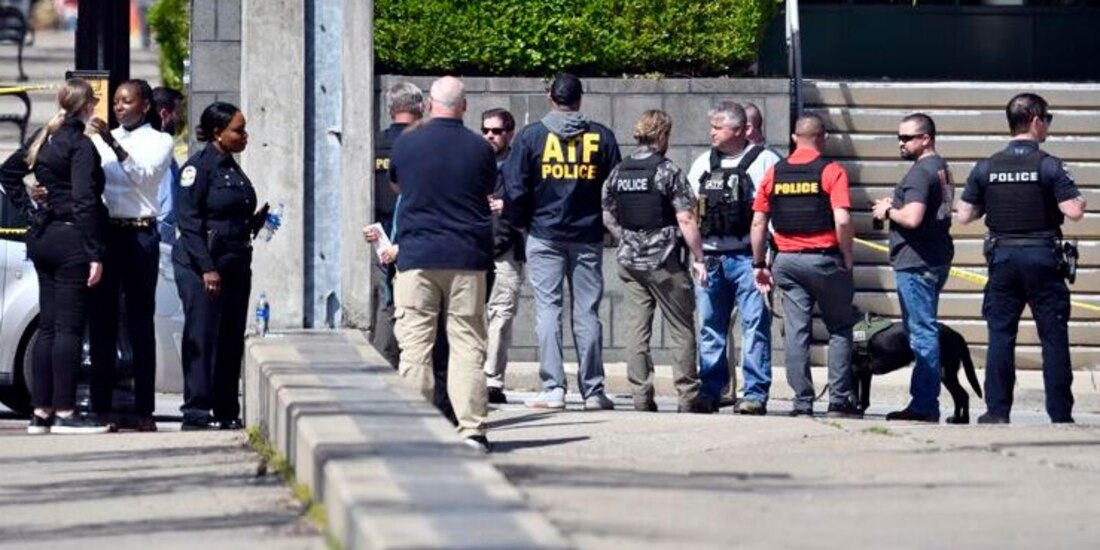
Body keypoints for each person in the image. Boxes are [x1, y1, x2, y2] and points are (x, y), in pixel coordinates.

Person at [956, 93, 1085, 424]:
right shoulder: (1049, 165)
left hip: (1003, 259)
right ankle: (1060, 414)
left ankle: (997, 411)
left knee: (1000, 336)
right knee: (1053, 337)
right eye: (1048, 121)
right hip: (1043, 257)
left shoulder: (986, 166)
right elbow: (1073, 212)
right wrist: (1077, 198)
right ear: (1036, 121)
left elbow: (964, 215)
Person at [389, 76, 495, 452]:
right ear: (464, 106)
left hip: (417, 256)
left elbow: (398, 186)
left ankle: (416, 432)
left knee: (415, 345)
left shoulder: (406, 143)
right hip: (467, 257)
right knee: (467, 343)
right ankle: (472, 430)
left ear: (429, 105)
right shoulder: (480, 148)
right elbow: (486, 190)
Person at [504, 72, 621, 411]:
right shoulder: (601, 136)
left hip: (544, 234)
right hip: (587, 237)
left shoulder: (532, 136)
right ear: (580, 99)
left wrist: (524, 226)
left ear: (551, 97)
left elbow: (515, 188)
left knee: (548, 311)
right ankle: (594, 391)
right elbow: (613, 190)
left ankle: (553, 387)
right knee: (587, 313)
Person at [0, 78, 110, 434]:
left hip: (44, 236)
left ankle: (41, 411)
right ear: (88, 107)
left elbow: (9, 173)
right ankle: (64, 410)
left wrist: (32, 210)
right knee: (68, 329)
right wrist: (95, 252)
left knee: (48, 326)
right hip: (71, 238)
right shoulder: (80, 146)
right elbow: (84, 200)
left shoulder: (43, 139)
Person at [750, 113, 861, 419]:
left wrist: (759, 263)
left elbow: (759, 222)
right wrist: (847, 255)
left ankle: (802, 402)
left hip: (786, 262)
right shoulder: (832, 171)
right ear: (823, 137)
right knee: (840, 328)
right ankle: (839, 400)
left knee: (797, 332)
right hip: (825, 260)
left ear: (794, 139)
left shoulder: (774, 172)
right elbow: (842, 218)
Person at [602, 109, 711, 413]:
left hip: (629, 262)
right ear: (662, 135)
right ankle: (688, 396)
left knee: (636, 331)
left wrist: (625, 236)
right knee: (681, 328)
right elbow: (686, 218)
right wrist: (699, 257)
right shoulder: (667, 171)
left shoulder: (619, 171)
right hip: (664, 261)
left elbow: (607, 213)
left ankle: (640, 396)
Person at [173, 102, 270, 431]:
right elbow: (189, 224)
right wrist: (207, 268)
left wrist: (255, 222)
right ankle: (197, 410)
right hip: (204, 264)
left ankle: (226, 407)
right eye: (238, 130)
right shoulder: (198, 168)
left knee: (230, 336)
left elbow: (229, 214)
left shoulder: (232, 167)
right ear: (218, 133)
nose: (244, 136)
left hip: (236, 260)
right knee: (203, 334)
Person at [87, 79, 175, 432]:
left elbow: (143, 176)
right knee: (103, 322)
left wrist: (111, 143)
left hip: (140, 234)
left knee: (140, 322)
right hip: (109, 233)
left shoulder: (160, 141)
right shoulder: (101, 140)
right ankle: (101, 406)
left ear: (145, 106)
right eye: (117, 102)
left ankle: (144, 410)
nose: (120, 107)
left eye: (127, 101)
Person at [686, 101, 780, 414]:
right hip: (710, 260)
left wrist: (768, 260)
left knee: (755, 326)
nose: (711, 133)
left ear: (739, 130)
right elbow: (689, 211)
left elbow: (774, 215)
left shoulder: (766, 161)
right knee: (710, 327)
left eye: (718, 128)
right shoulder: (703, 162)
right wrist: (696, 257)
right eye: (711, 127)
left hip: (749, 261)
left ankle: (754, 394)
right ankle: (711, 390)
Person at [870, 113, 954, 423]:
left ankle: (924, 405)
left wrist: (889, 209)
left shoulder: (920, 173)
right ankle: (924, 402)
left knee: (921, 334)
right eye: (899, 137)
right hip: (933, 257)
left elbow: (914, 218)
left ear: (926, 139)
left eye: (907, 138)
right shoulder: (940, 167)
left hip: (917, 263)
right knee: (923, 329)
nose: (901, 143)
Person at [369, 82, 423, 368]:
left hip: (380, 237)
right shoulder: (424, 143)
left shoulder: (374, 143)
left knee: (386, 304)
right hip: (417, 235)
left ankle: (383, 367)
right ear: (420, 107)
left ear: (390, 110)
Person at [481, 107, 523, 405]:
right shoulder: (472, 161)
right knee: (472, 315)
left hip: (507, 250)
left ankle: (492, 380)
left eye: (496, 131)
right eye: (486, 130)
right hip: (475, 248)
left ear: (509, 134)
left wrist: (506, 204)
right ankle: (473, 375)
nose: (490, 136)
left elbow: (530, 200)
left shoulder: (518, 164)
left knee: (501, 315)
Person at [152, 86, 185, 243]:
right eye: (177, 113)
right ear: (164, 114)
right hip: (159, 231)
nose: (179, 119)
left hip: (163, 228)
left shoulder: (162, 145)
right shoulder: (158, 147)